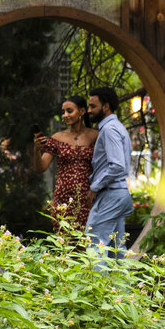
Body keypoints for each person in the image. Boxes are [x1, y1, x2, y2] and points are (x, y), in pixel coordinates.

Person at [33, 95, 99, 234]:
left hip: (86, 199)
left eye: (69, 111)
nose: (65, 115)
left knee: (85, 243)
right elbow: (41, 168)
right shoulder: (57, 138)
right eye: (63, 112)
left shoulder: (95, 136)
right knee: (65, 243)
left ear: (81, 111)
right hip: (63, 200)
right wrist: (37, 150)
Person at [85, 86, 134, 256]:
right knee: (117, 249)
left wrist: (94, 187)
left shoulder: (109, 130)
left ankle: (97, 283)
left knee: (94, 243)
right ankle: (123, 283)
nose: (89, 110)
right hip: (118, 194)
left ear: (105, 107)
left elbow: (118, 165)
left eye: (93, 106)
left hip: (110, 194)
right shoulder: (117, 127)